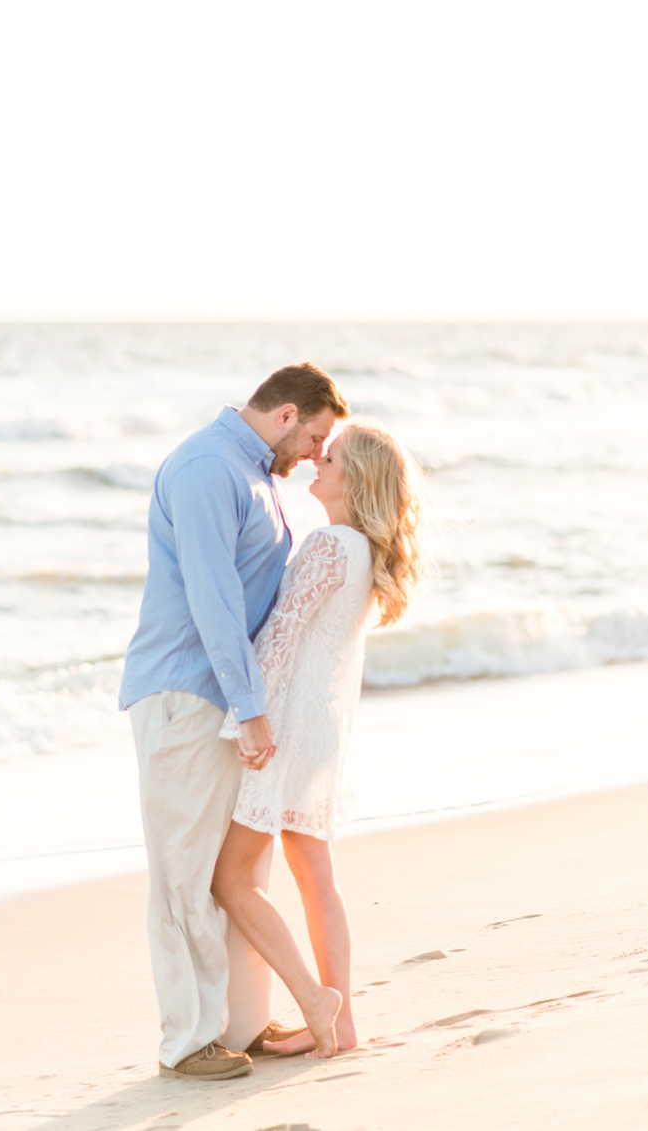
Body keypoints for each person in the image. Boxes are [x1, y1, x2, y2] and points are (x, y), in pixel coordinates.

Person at [119, 362, 348, 1080]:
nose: (315, 454)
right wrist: (249, 709)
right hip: (187, 695)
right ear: (285, 415)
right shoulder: (203, 468)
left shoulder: (253, 476)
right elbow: (214, 599)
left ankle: (241, 1026)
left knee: (235, 869)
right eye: (313, 437)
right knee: (185, 873)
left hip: (227, 700)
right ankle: (187, 1042)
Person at [211, 422, 427, 1059]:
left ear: (353, 479)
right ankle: (344, 1022)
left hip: (287, 730)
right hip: (320, 731)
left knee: (230, 879)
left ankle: (314, 997)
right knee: (315, 877)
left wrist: (240, 721)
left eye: (327, 458)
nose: (315, 462)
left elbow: (279, 636)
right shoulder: (360, 549)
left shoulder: (330, 544)